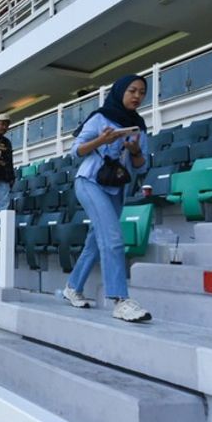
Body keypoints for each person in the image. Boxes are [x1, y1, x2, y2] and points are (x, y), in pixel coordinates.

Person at [59, 74, 152, 323]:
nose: (137, 96)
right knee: (112, 238)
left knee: (94, 243)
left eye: (142, 92)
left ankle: (72, 287)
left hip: (117, 187)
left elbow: (142, 167)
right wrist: (103, 139)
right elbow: (75, 150)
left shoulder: (139, 126)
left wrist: (135, 151)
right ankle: (120, 300)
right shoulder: (100, 117)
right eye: (132, 90)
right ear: (120, 91)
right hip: (89, 181)